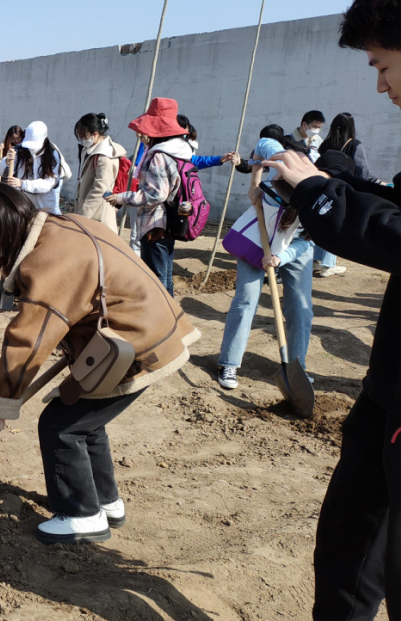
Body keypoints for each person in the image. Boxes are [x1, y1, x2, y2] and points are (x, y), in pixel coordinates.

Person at [0, 183, 199, 545]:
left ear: (5, 229)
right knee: (85, 420)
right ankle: (106, 503)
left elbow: (29, 340)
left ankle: (82, 514)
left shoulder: (49, 260)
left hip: (135, 346)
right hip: (149, 329)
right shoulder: (64, 226)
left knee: (61, 425)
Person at [267, 2, 400, 616]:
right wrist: (335, 181)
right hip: (387, 390)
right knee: (349, 541)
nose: (380, 85)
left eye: (382, 65)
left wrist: (323, 194)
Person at [216, 138, 314, 390]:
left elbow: (307, 241)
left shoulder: (319, 195)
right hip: (257, 240)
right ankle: (229, 362)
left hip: (295, 246)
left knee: (301, 308)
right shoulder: (280, 160)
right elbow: (262, 143)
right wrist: (255, 183)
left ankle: (297, 368)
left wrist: (282, 258)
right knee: (246, 299)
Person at [108, 98, 193, 297]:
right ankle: (171, 312)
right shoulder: (179, 151)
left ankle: (162, 314)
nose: (141, 134)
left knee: (156, 279)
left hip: (155, 224)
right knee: (165, 275)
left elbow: (156, 194)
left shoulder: (159, 155)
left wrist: (121, 198)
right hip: (170, 220)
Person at [315, 112, 381, 277]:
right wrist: (379, 183)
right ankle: (328, 265)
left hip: (323, 186)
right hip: (344, 190)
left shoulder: (324, 145)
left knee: (322, 221)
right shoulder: (355, 145)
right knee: (336, 224)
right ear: (351, 127)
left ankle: (316, 260)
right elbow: (363, 172)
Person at [0, 121, 72, 215]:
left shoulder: (52, 154)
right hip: (26, 203)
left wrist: (22, 183)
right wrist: (7, 161)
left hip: (47, 202)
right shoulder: (19, 150)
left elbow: (48, 184)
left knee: (52, 217)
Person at [73, 112, 127, 231]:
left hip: (97, 215)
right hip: (89, 213)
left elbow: (100, 189)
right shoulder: (90, 150)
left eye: (83, 135)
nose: (81, 139)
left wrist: (82, 215)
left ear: (95, 134)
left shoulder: (104, 156)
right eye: (79, 136)